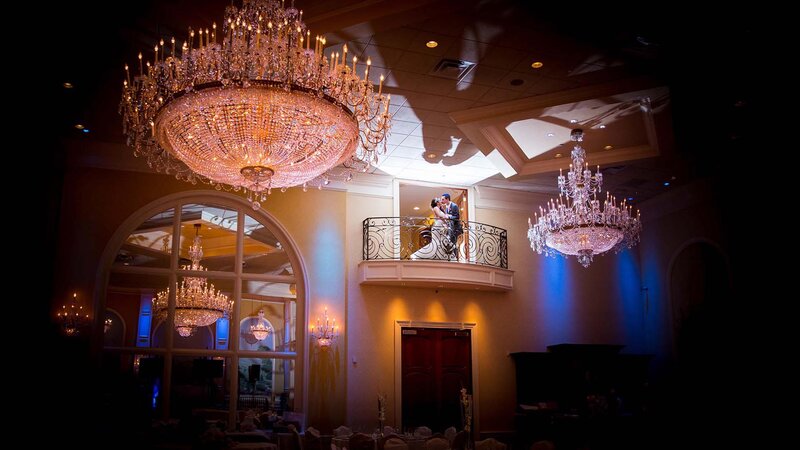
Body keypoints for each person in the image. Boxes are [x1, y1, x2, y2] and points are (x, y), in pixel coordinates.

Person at [440, 193, 463, 260]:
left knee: (453, 243)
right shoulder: (447, 207)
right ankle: (452, 257)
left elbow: (457, 217)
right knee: (450, 243)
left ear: (447, 199)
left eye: (443, 199)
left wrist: (449, 217)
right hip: (451, 228)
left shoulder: (454, 206)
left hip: (455, 229)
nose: (442, 201)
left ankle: (455, 258)